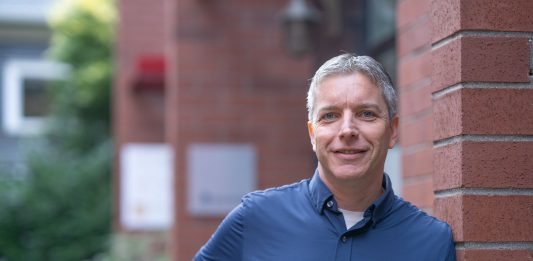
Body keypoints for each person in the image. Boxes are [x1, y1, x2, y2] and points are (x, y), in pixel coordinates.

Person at [194, 54, 456, 260]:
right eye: (330, 116)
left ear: (393, 131)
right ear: (312, 134)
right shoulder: (255, 219)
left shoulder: (431, 242)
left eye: (366, 114)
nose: (347, 130)